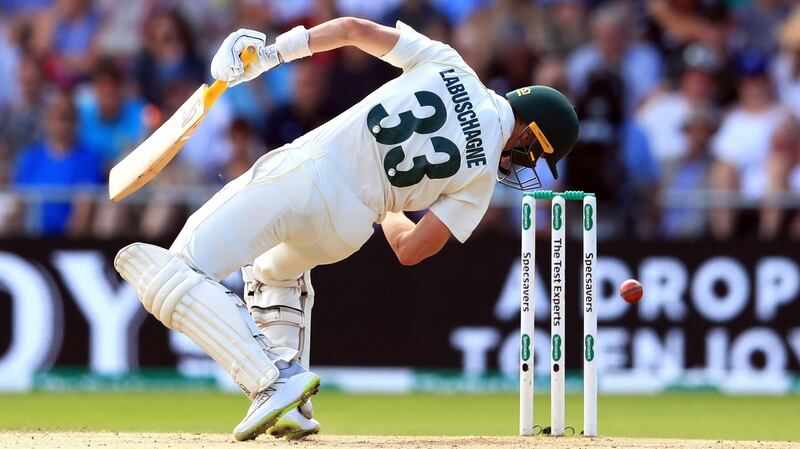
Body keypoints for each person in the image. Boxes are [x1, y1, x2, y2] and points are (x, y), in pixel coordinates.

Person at [113, 17, 578, 442]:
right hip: (346, 229)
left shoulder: (446, 61)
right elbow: (413, 250)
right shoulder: (478, 184)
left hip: (307, 176)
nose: (527, 163)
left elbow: (353, 29)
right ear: (530, 131)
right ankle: (292, 404)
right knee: (272, 272)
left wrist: (274, 55)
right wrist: (388, 208)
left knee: (175, 270)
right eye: (535, 153)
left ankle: (272, 381)